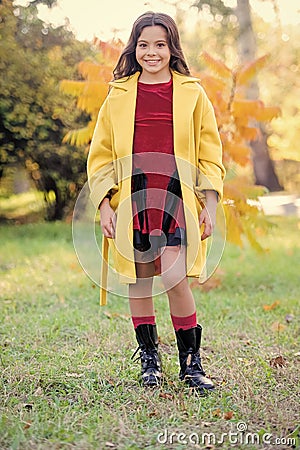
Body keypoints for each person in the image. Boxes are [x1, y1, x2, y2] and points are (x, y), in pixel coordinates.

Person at [87, 11, 225, 390]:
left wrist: (209, 206)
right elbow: (99, 157)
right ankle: (150, 360)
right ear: (135, 49)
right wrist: (104, 206)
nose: (152, 52)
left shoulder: (192, 93)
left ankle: (191, 363)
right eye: (144, 45)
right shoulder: (117, 96)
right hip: (134, 199)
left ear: (171, 48)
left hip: (176, 198)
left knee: (175, 277)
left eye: (160, 45)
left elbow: (210, 156)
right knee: (139, 279)